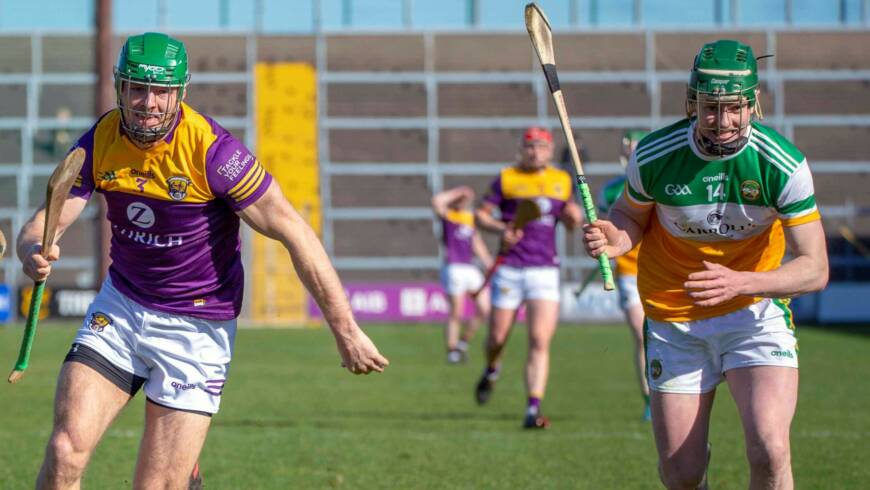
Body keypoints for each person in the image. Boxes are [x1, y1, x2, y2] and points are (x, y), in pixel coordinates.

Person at [17, 32, 389, 490]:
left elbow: (296, 233)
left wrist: (346, 331)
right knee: (64, 451)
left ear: (181, 92)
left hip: (197, 328)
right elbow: (43, 224)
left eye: (161, 91)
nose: (147, 103)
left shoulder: (213, 152)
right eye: (136, 88)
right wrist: (32, 252)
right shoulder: (102, 138)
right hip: (122, 309)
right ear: (119, 86)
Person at [583, 40, 828, 489]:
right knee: (682, 474)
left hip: (754, 316)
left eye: (733, 108)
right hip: (675, 318)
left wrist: (742, 282)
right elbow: (629, 218)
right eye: (710, 108)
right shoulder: (656, 155)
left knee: (770, 450)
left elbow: (814, 267)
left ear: (753, 104)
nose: (722, 122)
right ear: (691, 103)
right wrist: (614, 238)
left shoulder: (782, 165)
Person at [474, 126, 582, 429]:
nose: (535, 151)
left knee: (539, 340)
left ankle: (533, 408)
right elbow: (480, 215)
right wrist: (501, 230)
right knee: (497, 337)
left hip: (544, 270)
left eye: (541, 147)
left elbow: (572, 219)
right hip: (510, 267)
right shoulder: (507, 178)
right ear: (522, 149)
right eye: (530, 146)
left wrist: (574, 218)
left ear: (549, 151)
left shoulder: (561, 181)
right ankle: (492, 368)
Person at [598, 129, 651, 422]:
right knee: (643, 334)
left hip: (661, 269)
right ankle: (649, 399)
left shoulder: (662, 184)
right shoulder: (610, 190)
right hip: (629, 272)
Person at [431, 186, 493, 364]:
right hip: (453, 267)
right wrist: (459, 191)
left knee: (484, 309)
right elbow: (436, 201)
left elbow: (476, 241)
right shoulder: (448, 215)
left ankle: (463, 342)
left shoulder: (469, 217)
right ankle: (452, 350)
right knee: (456, 313)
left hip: (470, 267)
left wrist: (487, 261)